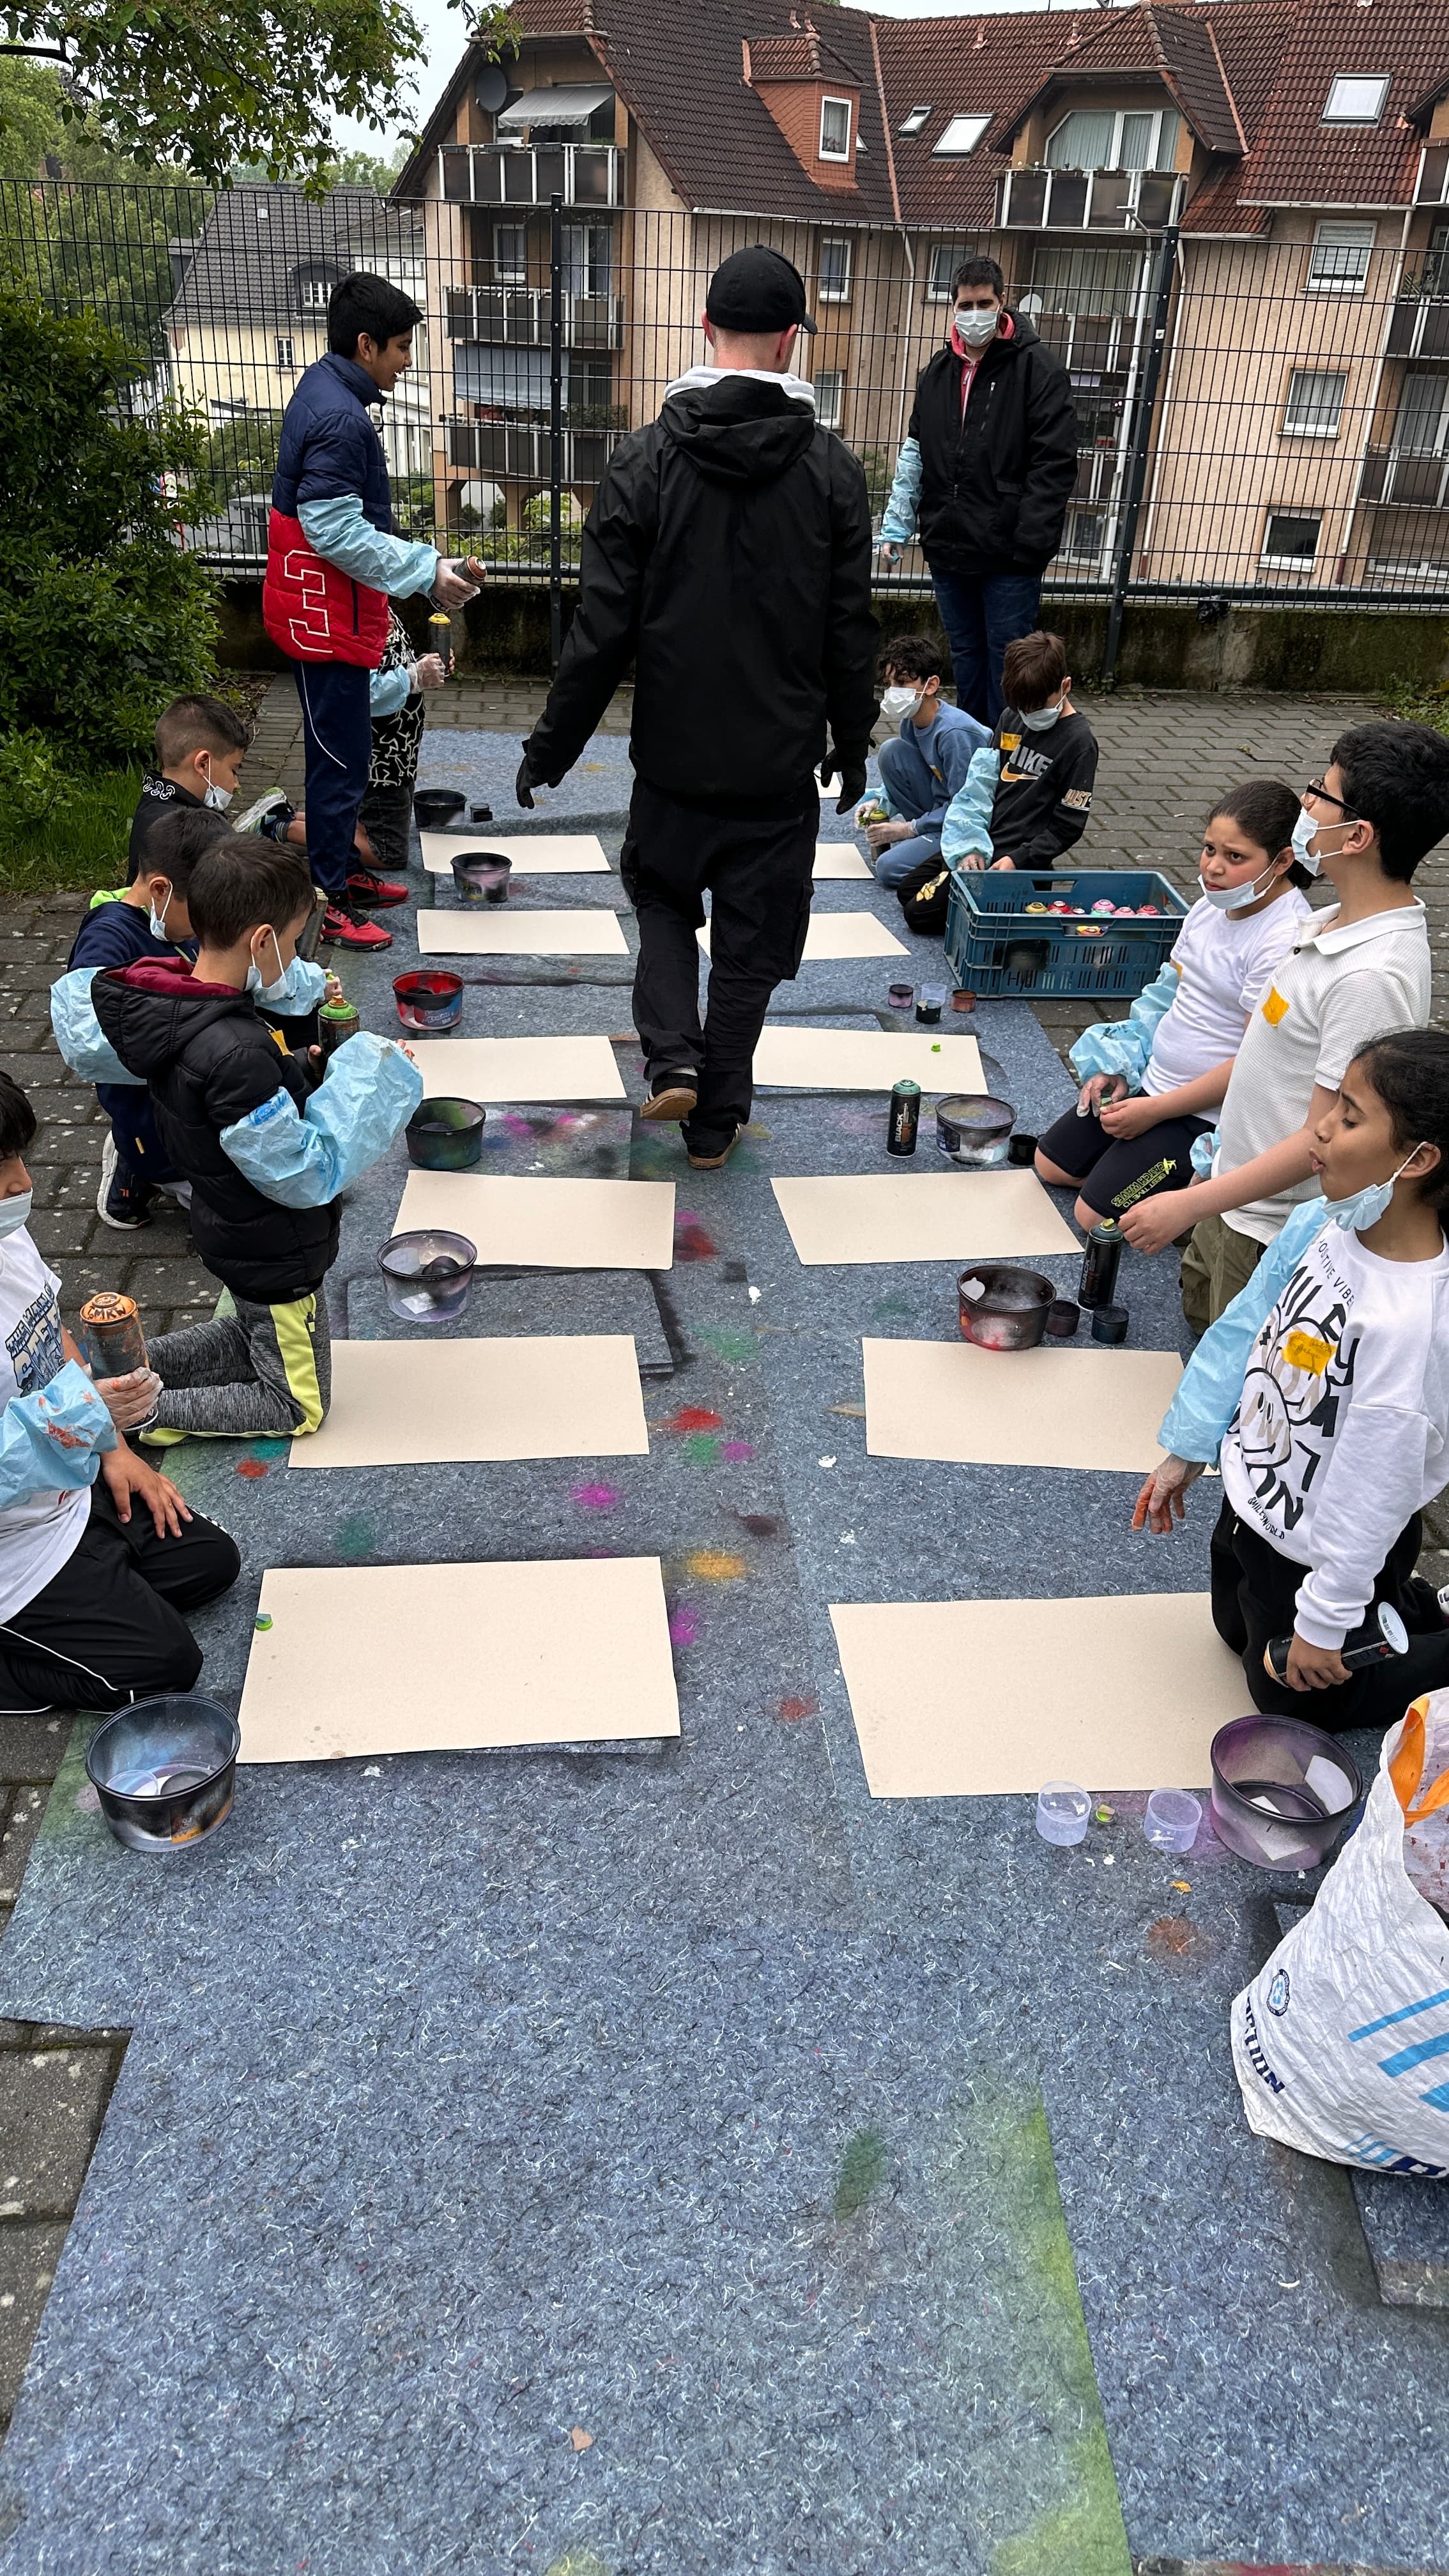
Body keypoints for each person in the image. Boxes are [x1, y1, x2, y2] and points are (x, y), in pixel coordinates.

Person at [515, 245, 877, 1170]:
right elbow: (849, 628)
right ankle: (716, 1121)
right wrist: (854, 738)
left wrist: (552, 748)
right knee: (753, 951)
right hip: (777, 768)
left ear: (704, 331)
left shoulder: (643, 461)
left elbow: (600, 633)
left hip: (674, 760)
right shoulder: (833, 473)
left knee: (667, 904)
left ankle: (671, 1053)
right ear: (794, 342)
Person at [1133, 1030, 1449, 1729]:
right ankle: (1394, 1606)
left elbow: (1374, 1490)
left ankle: (1412, 1630)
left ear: (1419, 1159)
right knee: (1232, 1629)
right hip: (1258, 1503)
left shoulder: (1408, 1326)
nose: (1322, 1127)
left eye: (1351, 1117)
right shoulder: (1325, 1223)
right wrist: (1188, 1448)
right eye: (1333, 1103)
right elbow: (1243, 1332)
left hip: (1327, 1542)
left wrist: (1327, 1619)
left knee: (1296, 1697)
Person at [1117, 722, 1449, 1329]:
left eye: (1321, 791)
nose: (1305, 803)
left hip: (1266, 1227)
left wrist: (1189, 1203)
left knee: (1239, 1392)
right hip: (1232, 1189)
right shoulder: (1328, 922)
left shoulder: (1369, 978)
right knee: (1201, 1337)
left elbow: (1326, 1139)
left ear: (1357, 835)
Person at [90, 838, 422, 1441]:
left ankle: (123, 1376)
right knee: (299, 1405)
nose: (295, 956)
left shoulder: (184, 1011)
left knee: (253, 1332)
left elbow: (231, 1108)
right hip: (275, 1255)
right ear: (263, 941)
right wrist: (373, 1085)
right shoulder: (235, 1047)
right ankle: (138, 1415)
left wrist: (303, 1070)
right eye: (295, 941)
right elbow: (300, 1173)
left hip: (236, 1233)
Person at [0, 1071, 240, 1713]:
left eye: (19, 1157)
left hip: (63, 1493)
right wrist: (77, 1422)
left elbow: (50, 1340)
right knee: (161, 1670)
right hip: (10, 1548)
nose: (22, 1183)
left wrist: (113, 1451)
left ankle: (92, 1595)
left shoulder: (4, 1236)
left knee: (212, 1563)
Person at [262, 271, 479, 954]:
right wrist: (425, 571)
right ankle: (327, 903)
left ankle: (346, 877)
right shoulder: (338, 416)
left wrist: (425, 566)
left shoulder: (332, 395)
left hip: (331, 614)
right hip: (321, 620)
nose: (407, 360)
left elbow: (345, 525)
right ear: (366, 345)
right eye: (401, 347)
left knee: (349, 756)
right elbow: (334, 532)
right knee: (335, 766)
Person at [1034, 781, 1312, 1235]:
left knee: (1093, 1218)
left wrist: (1158, 1111)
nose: (1213, 868)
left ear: (1283, 861)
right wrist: (1123, 1066)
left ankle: (1199, 1189)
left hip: (1201, 1115)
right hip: (1155, 1085)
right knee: (1050, 1165)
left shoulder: (1282, 937)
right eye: (1209, 849)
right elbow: (1166, 997)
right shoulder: (1208, 907)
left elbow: (1253, 1062)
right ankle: (1134, 1170)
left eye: (1235, 857)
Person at [877, 259, 1078, 726]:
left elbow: (1055, 464)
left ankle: (1008, 758)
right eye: (965, 304)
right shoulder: (938, 372)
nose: (974, 314)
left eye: (983, 303)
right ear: (953, 306)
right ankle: (974, 755)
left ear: (1002, 302)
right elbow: (917, 452)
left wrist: (1029, 543)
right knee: (966, 655)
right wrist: (903, 522)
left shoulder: (1038, 370)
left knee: (1011, 665)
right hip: (950, 545)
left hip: (1009, 553)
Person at [58, 806, 218, 1230]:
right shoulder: (108, 938)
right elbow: (84, 1039)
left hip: (187, 1100)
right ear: (162, 889)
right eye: (201, 911)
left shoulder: (175, 923)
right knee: (231, 1209)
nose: (207, 925)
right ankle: (134, 1163)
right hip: (148, 1108)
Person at [896, 632, 1098, 935]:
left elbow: (1067, 827)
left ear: (1065, 686)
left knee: (918, 914)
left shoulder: (1080, 743)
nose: (1028, 716)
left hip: (1016, 856)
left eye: (1036, 708)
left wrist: (1018, 859)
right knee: (907, 889)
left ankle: (1028, 890)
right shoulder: (1011, 717)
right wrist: (969, 843)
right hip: (985, 842)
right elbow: (980, 786)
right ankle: (1002, 900)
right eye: (1022, 708)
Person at [858, 634, 989, 891]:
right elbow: (918, 774)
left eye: (903, 683)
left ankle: (951, 864)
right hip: (942, 812)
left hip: (966, 826)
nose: (893, 691)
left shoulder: (954, 734)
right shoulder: (912, 720)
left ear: (931, 686)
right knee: (891, 751)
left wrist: (908, 830)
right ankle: (927, 843)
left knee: (888, 868)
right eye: (889, 683)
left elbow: (966, 808)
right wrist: (879, 802)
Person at [128, 695, 249, 878]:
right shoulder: (193, 833)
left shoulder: (153, 801)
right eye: (234, 769)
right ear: (203, 764)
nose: (235, 783)